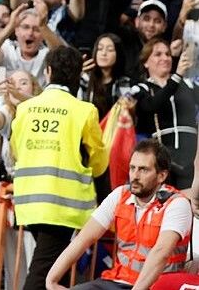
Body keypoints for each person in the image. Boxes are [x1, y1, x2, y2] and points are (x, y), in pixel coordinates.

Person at [10, 45, 108, 289]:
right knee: (45, 273)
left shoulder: (24, 108)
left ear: (48, 72)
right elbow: (98, 161)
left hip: (29, 202)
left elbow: (15, 151)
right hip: (63, 207)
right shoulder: (84, 111)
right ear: (77, 76)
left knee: (56, 270)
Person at [46, 140, 194, 290]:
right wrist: (51, 280)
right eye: (132, 168)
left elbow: (161, 252)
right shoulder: (120, 195)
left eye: (143, 170)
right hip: (116, 282)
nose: (135, 176)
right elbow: (84, 239)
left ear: (161, 176)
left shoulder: (177, 204)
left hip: (156, 286)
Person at [130, 38, 198, 190]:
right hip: (164, 163)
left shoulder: (187, 85)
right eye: (158, 54)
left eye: (168, 54)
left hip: (193, 161)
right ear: (146, 62)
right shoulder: (141, 88)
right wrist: (176, 77)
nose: (165, 58)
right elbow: (151, 106)